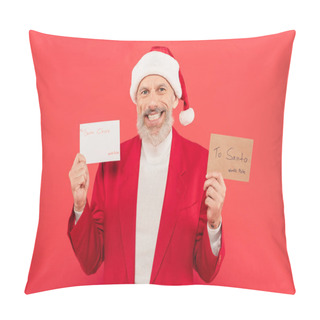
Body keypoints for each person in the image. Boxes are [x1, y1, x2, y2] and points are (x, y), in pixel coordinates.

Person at [68, 46, 226, 285]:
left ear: (174, 100)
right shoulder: (112, 161)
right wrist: (80, 205)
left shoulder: (200, 163)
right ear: (137, 102)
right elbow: (91, 261)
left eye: (161, 90)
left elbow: (206, 271)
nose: (153, 102)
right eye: (144, 92)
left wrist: (215, 221)